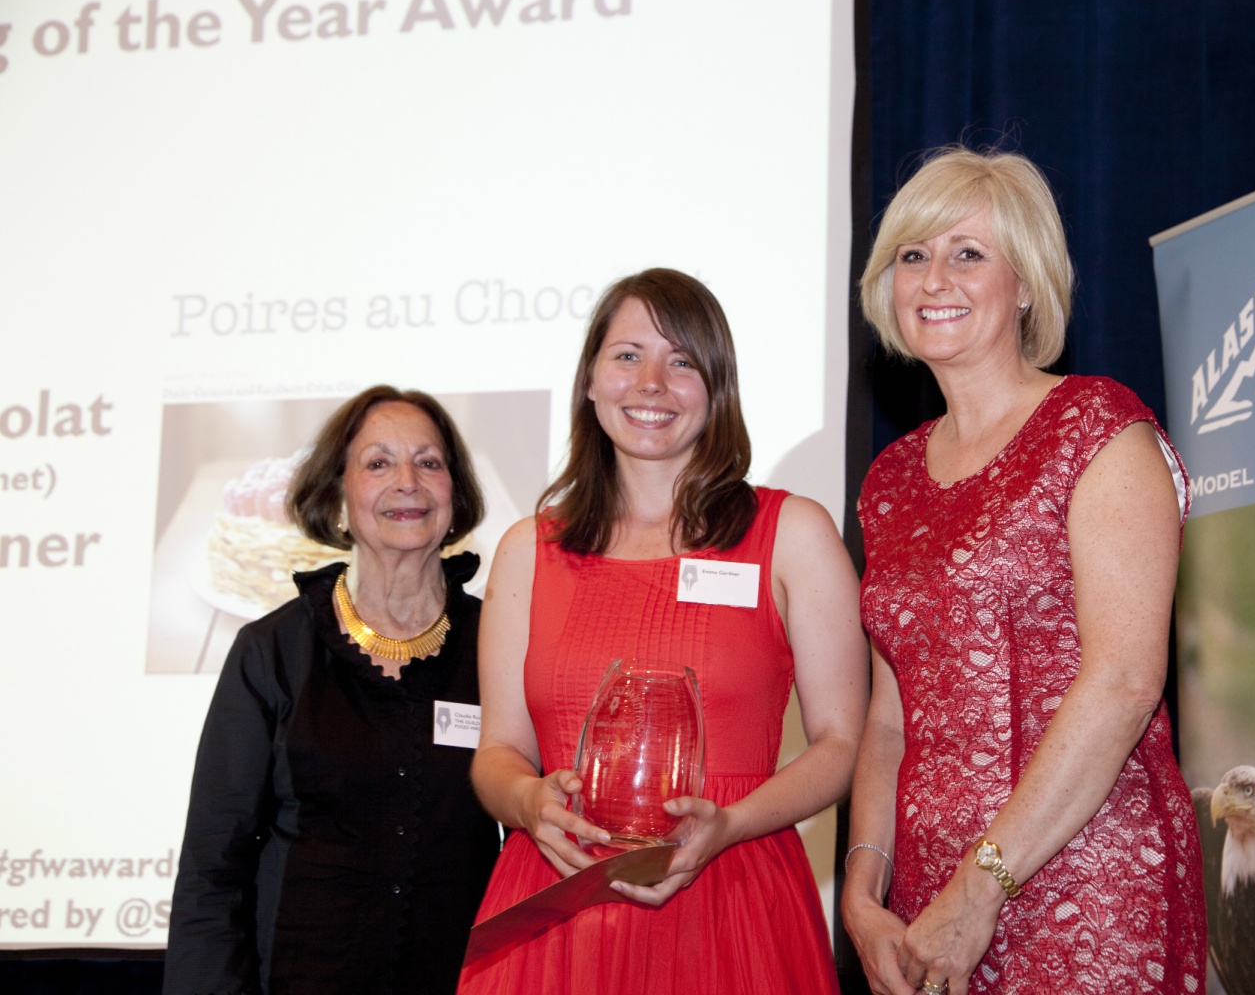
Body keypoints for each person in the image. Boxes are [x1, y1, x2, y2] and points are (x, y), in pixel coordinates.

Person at [841, 148, 1207, 995]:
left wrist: (981, 886)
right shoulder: (889, 479)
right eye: (913, 255)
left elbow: (1122, 681)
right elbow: (891, 720)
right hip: (929, 904)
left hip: (1087, 881)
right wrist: (863, 890)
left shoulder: (1098, 429)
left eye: (969, 253)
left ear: (1028, 282)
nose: (935, 278)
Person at [458, 268, 866, 994]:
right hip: (558, 900)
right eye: (626, 356)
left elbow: (841, 744)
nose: (651, 382)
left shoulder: (792, 534)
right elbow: (498, 751)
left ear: (716, 388)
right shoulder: (527, 548)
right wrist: (526, 803)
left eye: (681, 361)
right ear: (589, 381)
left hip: (732, 896)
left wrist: (731, 823)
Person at [165, 386, 501, 995]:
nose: (408, 482)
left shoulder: (499, 647)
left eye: (429, 462)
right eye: (378, 463)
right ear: (338, 497)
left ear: (456, 494)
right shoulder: (271, 652)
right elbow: (213, 874)